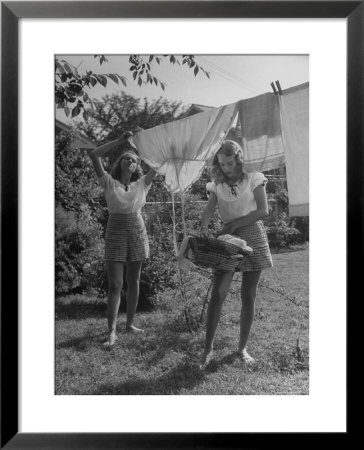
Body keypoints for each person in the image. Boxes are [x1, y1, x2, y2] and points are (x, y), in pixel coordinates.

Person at [199, 140, 273, 368]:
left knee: (248, 295)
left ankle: (242, 348)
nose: (226, 167)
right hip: (227, 240)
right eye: (221, 164)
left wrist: (234, 224)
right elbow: (210, 209)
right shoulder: (217, 183)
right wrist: (202, 227)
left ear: (239, 159)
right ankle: (207, 349)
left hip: (252, 233)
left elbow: (263, 210)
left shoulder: (254, 177)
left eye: (230, 163)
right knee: (218, 293)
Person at [88, 132, 156, 345]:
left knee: (133, 280)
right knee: (116, 284)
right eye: (127, 158)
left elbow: (159, 162)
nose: (130, 161)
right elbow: (94, 154)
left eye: (134, 160)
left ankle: (129, 324)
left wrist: (143, 140)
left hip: (136, 229)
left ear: (137, 166)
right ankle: (111, 332)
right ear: (120, 162)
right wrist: (120, 141)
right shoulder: (108, 182)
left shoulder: (142, 184)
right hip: (116, 230)